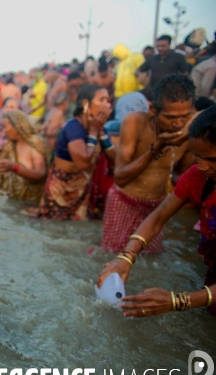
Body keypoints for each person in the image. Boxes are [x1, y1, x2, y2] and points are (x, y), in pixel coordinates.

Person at [96, 105, 216, 317]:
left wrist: (178, 301)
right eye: (197, 156)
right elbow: (159, 216)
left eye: (212, 160)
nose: (203, 166)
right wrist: (125, 258)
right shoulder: (198, 176)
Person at [101, 75, 195, 253]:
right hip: (124, 202)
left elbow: (181, 177)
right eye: (170, 117)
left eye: (185, 116)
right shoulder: (135, 122)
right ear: (153, 110)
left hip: (156, 208)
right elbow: (120, 177)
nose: (178, 124)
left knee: (152, 260)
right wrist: (158, 147)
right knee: (113, 257)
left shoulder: (191, 129)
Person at [37, 84, 114, 220]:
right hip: (61, 192)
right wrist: (94, 132)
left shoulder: (99, 128)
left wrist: (100, 132)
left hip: (82, 192)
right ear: (86, 104)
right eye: (101, 100)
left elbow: (115, 160)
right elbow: (83, 163)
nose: (106, 104)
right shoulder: (73, 127)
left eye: (107, 100)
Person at [0, 109, 47, 201]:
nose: (4, 131)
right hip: (13, 198)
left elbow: (40, 174)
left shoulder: (35, 143)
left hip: (30, 200)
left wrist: (14, 167)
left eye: (5, 127)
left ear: (17, 127)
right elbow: (3, 166)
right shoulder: (11, 144)